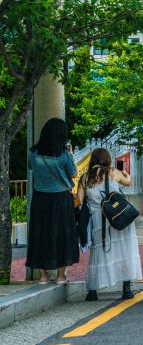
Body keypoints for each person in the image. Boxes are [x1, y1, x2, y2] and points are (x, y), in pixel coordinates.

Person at [77, 148, 141, 301]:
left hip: (99, 221)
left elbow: (78, 201)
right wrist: (125, 173)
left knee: (99, 253)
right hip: (119, 218)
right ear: (107, 159)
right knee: (124, 251)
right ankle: (126, 289)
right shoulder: (113, 172)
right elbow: (128, 181)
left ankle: (93, 291)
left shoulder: (85, 178)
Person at [26, 118, 79, 284]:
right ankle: (61, 276)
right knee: (62, 234)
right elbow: (73, 173)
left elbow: (30, 167)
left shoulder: (33, 152)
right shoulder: (63, 155)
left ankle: (43, 275)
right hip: (61, 199)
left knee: (40, 234)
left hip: (40, 198)